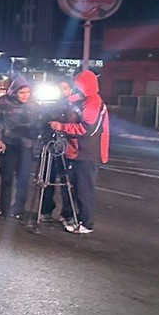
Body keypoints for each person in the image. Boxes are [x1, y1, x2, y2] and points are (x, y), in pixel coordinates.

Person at [50, 70, 110, 235]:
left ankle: (86, 222)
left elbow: (86, 129)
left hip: (87, 153)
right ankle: (69, 215)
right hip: (76, 151)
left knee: (84, 189)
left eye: (79, 85)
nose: (76, 88)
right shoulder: (84, 100)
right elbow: (73, 104)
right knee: (71, 187)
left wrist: (61, 127)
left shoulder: (93, 102)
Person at [0, 75, 37, 220]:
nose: (25, 96)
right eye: (21, 93)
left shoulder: (33, 105)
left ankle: (18, 210)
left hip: (26, 145)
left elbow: (40, 123)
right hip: (8, 145)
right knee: (7, 177)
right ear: (14, 91)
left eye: (27, 92)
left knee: (23, 178)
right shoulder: (3, 102)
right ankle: (5, 209)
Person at [39, 78, 77, 223]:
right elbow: (42, 123)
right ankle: (45, 210)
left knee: (67, 181)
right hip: (50, 145)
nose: (62, 91)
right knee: (47, 179)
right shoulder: (49, 106)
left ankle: (67, 213)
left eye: (65, 88)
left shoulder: (74, 106)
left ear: (70, 90)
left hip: (66, 148)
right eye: (59, 88)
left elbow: (74, 125)